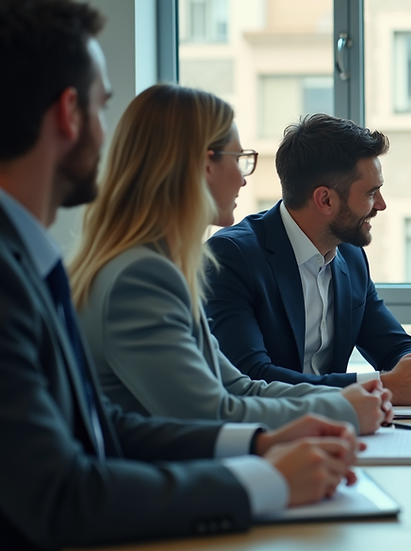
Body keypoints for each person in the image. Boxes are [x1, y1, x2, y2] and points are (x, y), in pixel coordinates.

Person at [0, 1, 363, 547]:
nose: (107, 135)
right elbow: (63, 492)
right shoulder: (117, 275)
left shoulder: (40, 261)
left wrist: (261, 446)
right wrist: (263, 478)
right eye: (102, 107)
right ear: (68, 113)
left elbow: (105, 427)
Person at [69, 84, 391, 435]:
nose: (242, 177)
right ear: (205, 165)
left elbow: (238, 388)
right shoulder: (140, 277)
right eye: (238, 160)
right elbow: (211, 411)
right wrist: (347, 406)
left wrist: (354, 398)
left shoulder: (162, 266)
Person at [205, 114, 411, 406]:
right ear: (325, 200)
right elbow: (250, 378)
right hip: (270, 434)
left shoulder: (350, 256)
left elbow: (392, 347)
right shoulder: (230, 258)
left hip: (342, 431)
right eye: (371, 193)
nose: (381, 204)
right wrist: (381, 384)